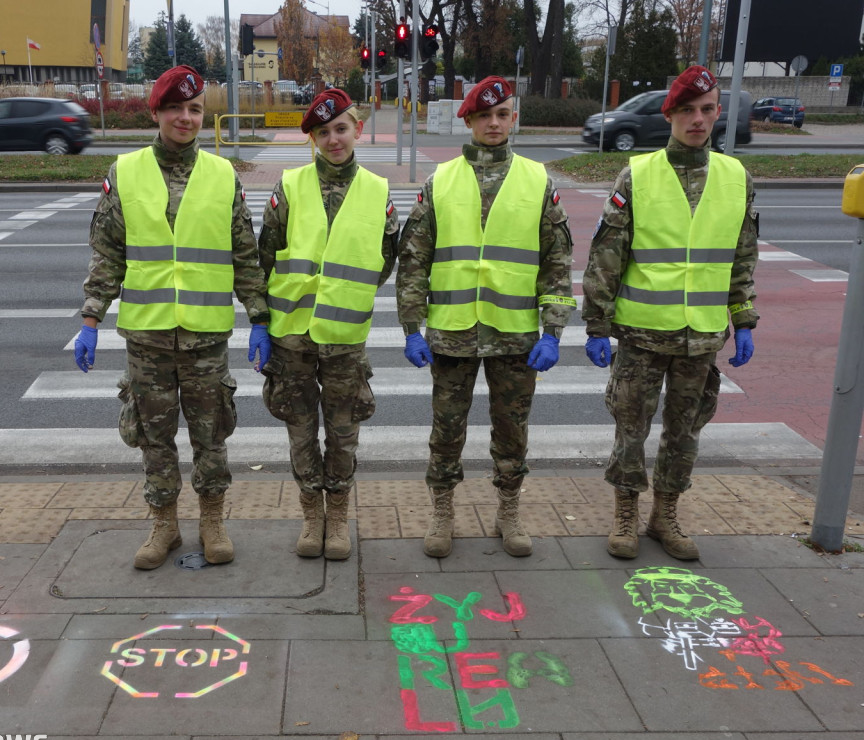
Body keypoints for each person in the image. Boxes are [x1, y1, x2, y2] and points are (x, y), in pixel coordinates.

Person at [73, 65, 272, 570]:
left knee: (212, 436)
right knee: (153, 437)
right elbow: (107, 252)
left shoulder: (223, 174)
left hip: (206, 337)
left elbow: (244, 254)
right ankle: (164, 525)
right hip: (148, 336)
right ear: (157, 112)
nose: (186, 118)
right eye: (176, 109)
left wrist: (260, 316)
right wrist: (91, 319)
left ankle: (212, 522)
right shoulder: (126, 171)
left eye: (195, 109)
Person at [582, 65, 759, 561]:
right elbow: (606, 256)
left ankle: (665, 515)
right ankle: (625, 515)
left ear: (717, 113)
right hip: (641, 334)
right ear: (671, 114)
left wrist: (743, 317)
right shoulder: (637, 174)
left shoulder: (736, 178)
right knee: (630, 430)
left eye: (706, 110)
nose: (697, 120)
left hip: (701, 337)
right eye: (687, 110)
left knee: (685, 433)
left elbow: (742, 257)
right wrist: (596, 324)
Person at [396, 76, 575, 558]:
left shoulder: (538, 181)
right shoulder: (441, 181)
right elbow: (414, 259)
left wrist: (554, 329)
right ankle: (443, 511)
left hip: (515, 335)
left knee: (512, 429)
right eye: (484, 116)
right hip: (452, 335)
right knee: (446, 429)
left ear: (513, 118)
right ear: (470, 121)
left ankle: (508, 510)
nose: (494, 124)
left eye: (503, 115)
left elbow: (558, 260)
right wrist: (411, 327)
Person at [258, 88, 399, 560]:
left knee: (342, 433)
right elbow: (265, 253)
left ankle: (337, 514)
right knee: (300, 432)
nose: (333, 139)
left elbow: (386, 260)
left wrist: (345, 294)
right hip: (292, 336)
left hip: (344, 338)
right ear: (313, 139)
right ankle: (311, 515)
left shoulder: (378, 191)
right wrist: (261, 322)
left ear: (357, 129)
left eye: (341, 128)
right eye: (323, 132)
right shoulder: (290, 186)